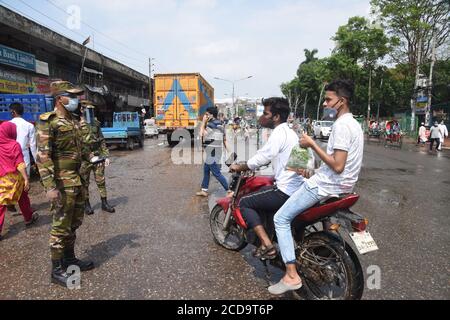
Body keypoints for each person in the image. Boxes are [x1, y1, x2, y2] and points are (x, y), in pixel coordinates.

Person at [268, 80, 364, 295]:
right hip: (343, 187)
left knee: (280, 219)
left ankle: (291, 276)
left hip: (325, 187)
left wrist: (311, 144)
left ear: (342, 101)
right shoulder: (354, 124)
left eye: (329, 99)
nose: (324, 103)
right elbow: (339, 164)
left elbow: (338, 165)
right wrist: (314, 169)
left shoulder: (341, 125)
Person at [35, 81, 95, 288]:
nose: (76, 99)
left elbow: (82, 148)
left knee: (74, 223)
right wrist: (50, 186)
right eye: (72, 96)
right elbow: (42, 156)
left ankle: (70, 259)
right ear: (60, 98)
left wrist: (93, 157)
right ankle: (56, 270)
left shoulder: (75, 121)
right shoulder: (48, 121)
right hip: (61, 182)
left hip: (77, 180)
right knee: (60, 226)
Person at [230, 98, 304, 260]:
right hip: (299, 188)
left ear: (276, 117)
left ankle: (266, 245)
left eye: (265, 113)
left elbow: (263, 157)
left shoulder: (279, 133)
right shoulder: (292, 133)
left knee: (245, 202)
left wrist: (241, 166)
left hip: (285, 190)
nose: (262, 117)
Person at [0, 122, 39, 240]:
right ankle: (28, 218)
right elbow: (20, 164)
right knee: (21, 198)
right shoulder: (14, 145)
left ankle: (28, 217)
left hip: (2, 178)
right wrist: (26, 178)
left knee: (6, 202)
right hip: (16, 179)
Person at [79, 101, 115, 215]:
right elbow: (77, 144)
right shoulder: (77, 125)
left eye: (91, 110)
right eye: (87, 109)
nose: (90, 112)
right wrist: (88, 156)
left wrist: (106, 156)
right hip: (84, 159)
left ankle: (104, 203)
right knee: (84, 183)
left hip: (98, 157)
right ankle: (87, 205)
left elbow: (101, 140)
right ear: (81, 110)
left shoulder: (96, 123)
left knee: (101, 181)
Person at [196, 106, 230, 197]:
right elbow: (224, 139)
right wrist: (228, 150)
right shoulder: (220, 124)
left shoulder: (211, 124)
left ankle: (229, 190)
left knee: (216, 173)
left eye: (206, 114)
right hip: (217, 150)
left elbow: (201, 134)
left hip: (212, 151)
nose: (205, 116)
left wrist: (203, 122)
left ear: (211, 115)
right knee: (206, 170)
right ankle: (204, 190)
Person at [9, 103, 37, 176]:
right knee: (26, 179)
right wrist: (36, 160)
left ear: (13, 112)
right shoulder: (29, 126)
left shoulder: (7, 125)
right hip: (24, 155)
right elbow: (33, 145)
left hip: (11, 155)